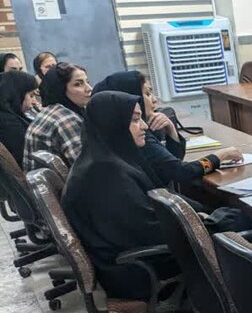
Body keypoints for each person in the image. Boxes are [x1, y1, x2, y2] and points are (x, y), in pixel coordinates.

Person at [62, 91, 179, 301]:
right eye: (135, 120)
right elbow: (146, 231)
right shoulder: (104, 173)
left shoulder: (104, 158)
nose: (144, 126)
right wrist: (201, 221)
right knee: (230, 235)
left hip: (132, 261)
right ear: (112, 124)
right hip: (138, 274)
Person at [92, 70, 241, 186]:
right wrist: (221, 155)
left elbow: (170, 162)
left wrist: (171, 130)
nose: (155, 99)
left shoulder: (126, 132)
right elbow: (181, 172)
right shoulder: (135, 136)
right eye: (147, 93)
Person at [23, 63, 91, 170]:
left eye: (87, 82)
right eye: (78, 84)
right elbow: (87, 166)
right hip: (67, 180)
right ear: (60, 88)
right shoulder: (65, 118)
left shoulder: (51, 110)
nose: (89, 88)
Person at [0, 71, 40, 166]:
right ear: (16, 95)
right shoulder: (10, 126)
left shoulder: (10, 116)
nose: (34, 102)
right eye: (31, 95)